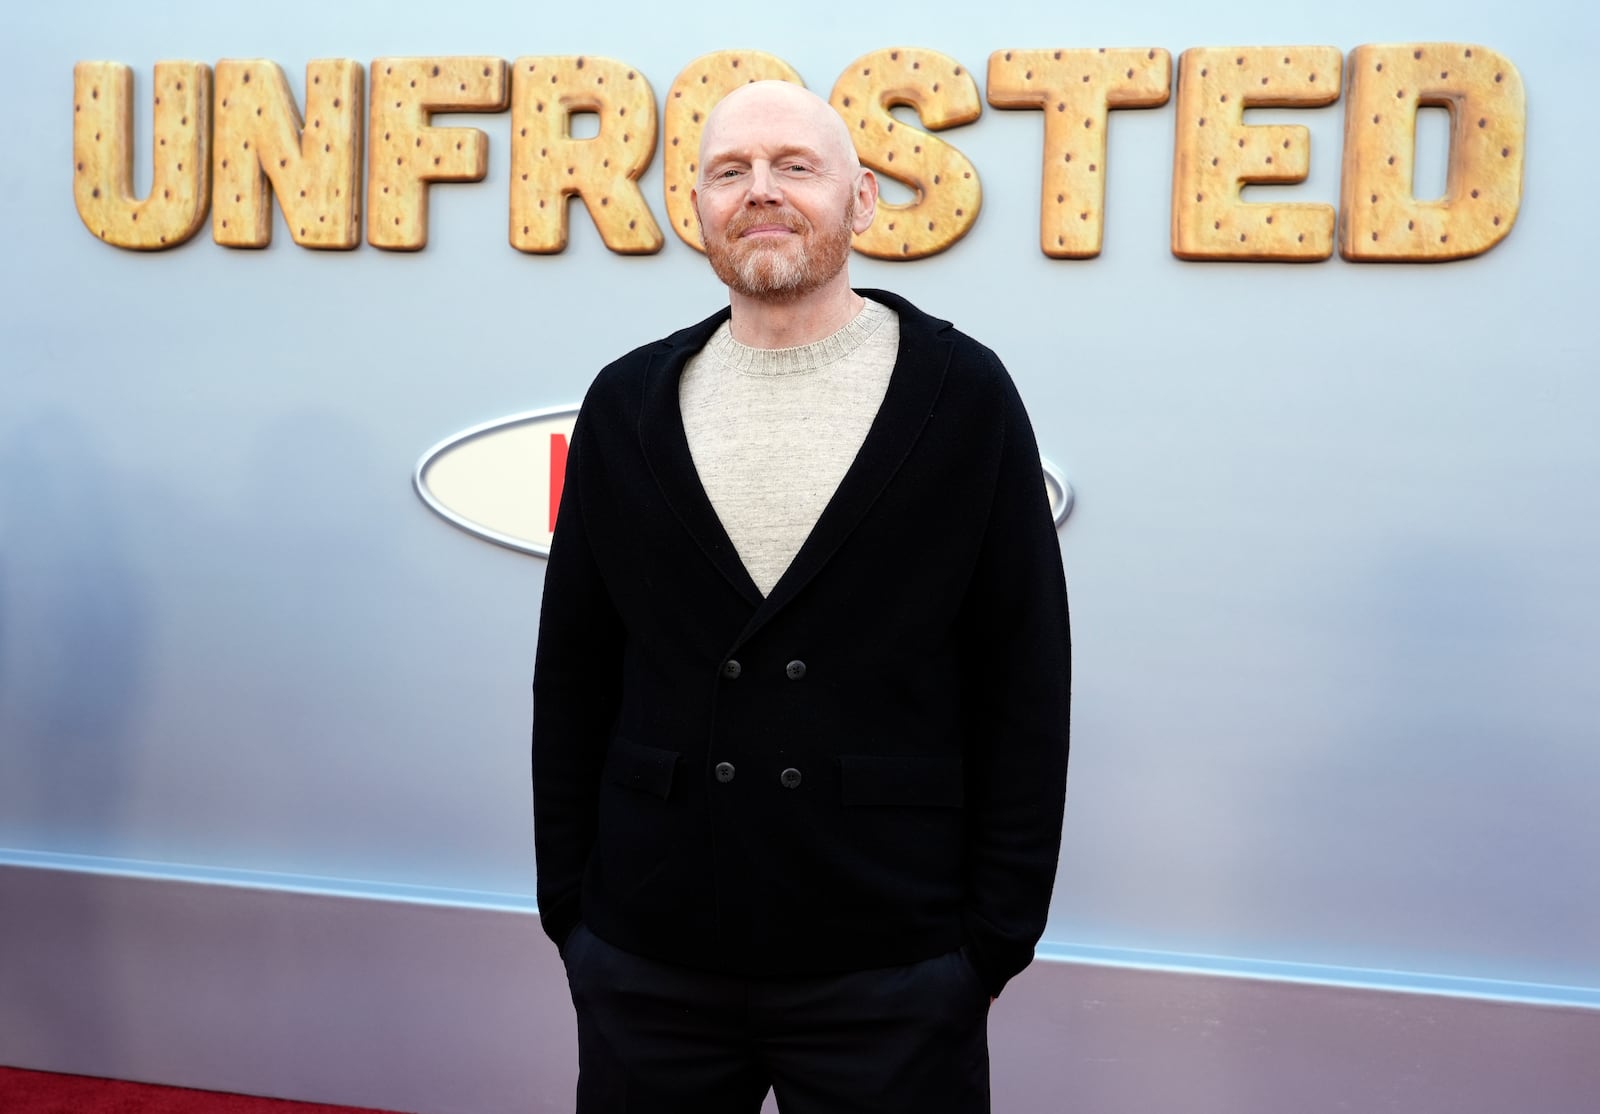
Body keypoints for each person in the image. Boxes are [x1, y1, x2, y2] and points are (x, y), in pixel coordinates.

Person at [532, 79, 1071, 1114]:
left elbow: (1022, 675)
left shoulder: (963, 396)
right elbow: (575, 674)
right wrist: (573, 914)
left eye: (794, 166)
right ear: (696, 208)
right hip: (651, 952)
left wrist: (990, 943)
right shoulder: (624, 404)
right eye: (728, 171)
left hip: (892, 957)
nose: (759, 191)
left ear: (861, 200)